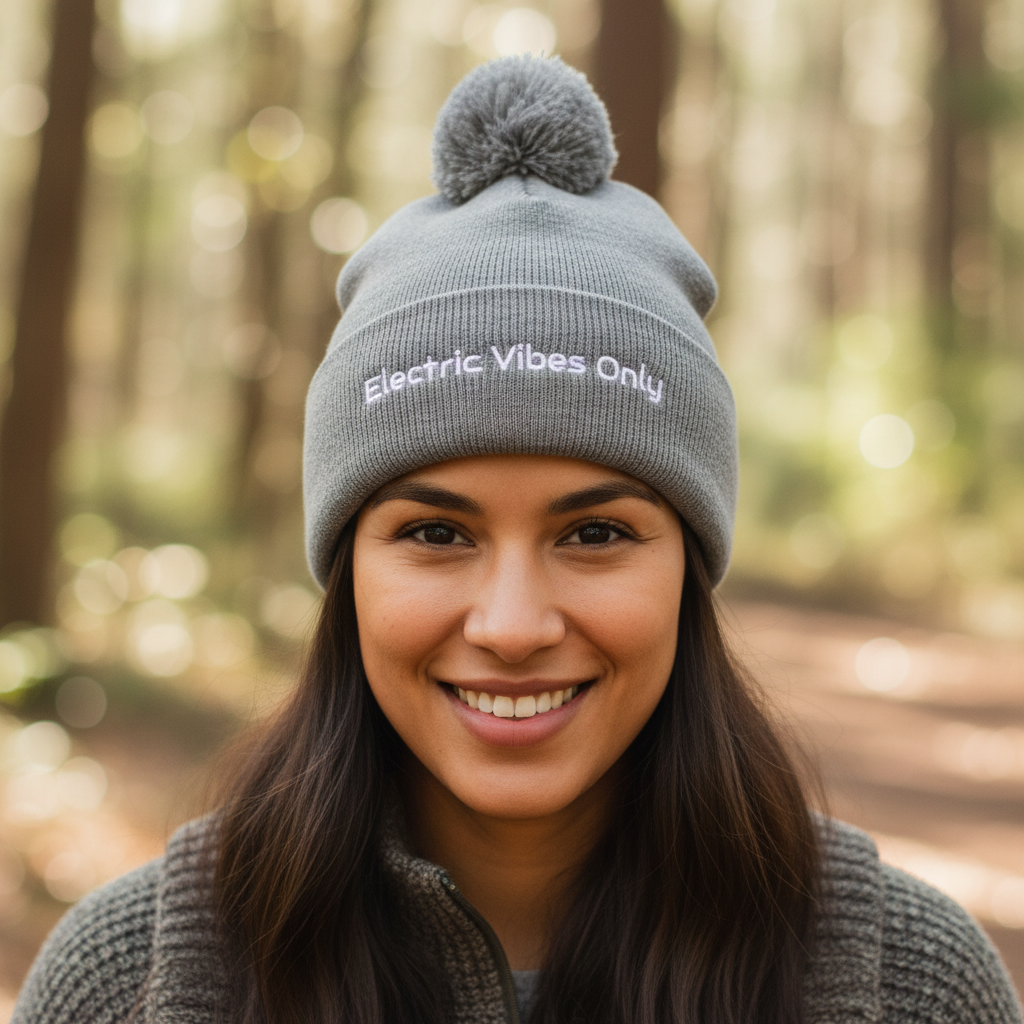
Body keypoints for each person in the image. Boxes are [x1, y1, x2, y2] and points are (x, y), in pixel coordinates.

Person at [12, 56, 1022, 1024]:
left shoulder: (910, 983)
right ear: (346, 570)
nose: (511, 625)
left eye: (593, 531)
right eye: (436, 531)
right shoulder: (129, 981)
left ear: (689, 568)